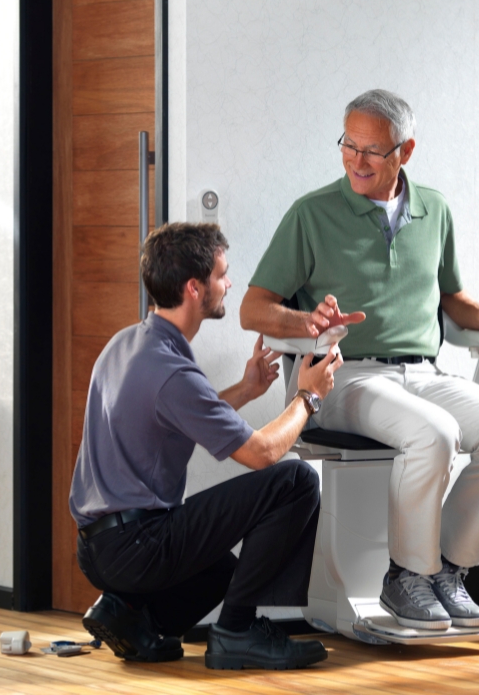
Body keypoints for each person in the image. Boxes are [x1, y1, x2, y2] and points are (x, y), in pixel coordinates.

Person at [240, 89, 479, 631]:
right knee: (434, 434)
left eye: (373, 150)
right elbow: (253, 309)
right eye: (348, 145)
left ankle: (447, 570)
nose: (357, 160)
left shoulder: (434, 209)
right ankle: (406, 577)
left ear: (406, 150)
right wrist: (307, 325)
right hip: (343, 378)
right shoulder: (312, 213)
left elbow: (449, 296)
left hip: (423, 373)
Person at [70, 222, 343, 670]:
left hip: (98, 549)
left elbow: (173, 415)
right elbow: (261, 454)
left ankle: (131, 617)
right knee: (294, 478)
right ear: (195, 288)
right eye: (222, 275)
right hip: (138, 546)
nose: (229, 283)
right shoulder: (172, 370)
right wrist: (308, 397)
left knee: (224, 576)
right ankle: (236, 633)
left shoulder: (128, 344)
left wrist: (247, 389)